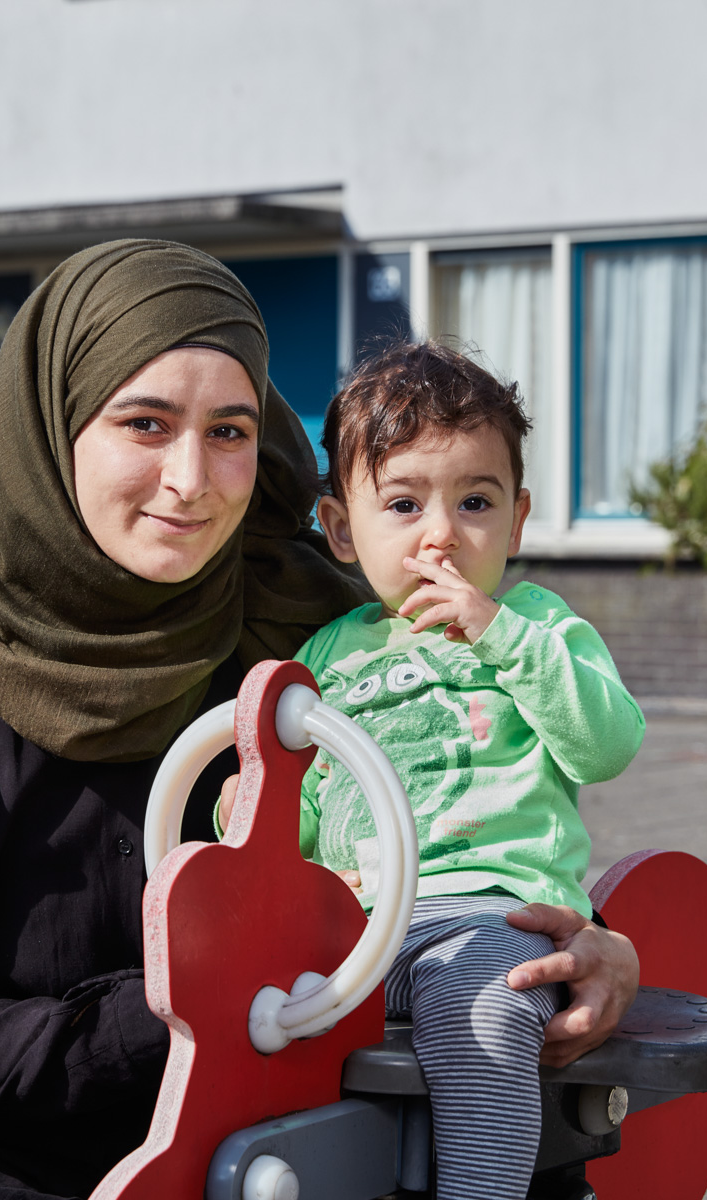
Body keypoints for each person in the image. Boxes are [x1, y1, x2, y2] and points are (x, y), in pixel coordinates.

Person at [0, 241, 641, 1200]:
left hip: (244, 1119)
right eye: (145, 423)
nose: (191, 478)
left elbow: (458, 797)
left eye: (228, 431)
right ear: (53, 429)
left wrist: (580, 945)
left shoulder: (307, 632)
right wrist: (202, 1006)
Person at [220, 340, 644, 1199]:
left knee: (480, 1014)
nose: (442, 533)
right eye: (405, 503)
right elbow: (297, 821)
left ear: (518, 521)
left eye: (475, 501)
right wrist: (246, 807)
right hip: (358, 926)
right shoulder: (329, 656)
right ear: (342, 530)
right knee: (245, 1011)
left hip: (489, 916)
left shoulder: (536, 625)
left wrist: (501, 633)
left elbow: (605, 745)